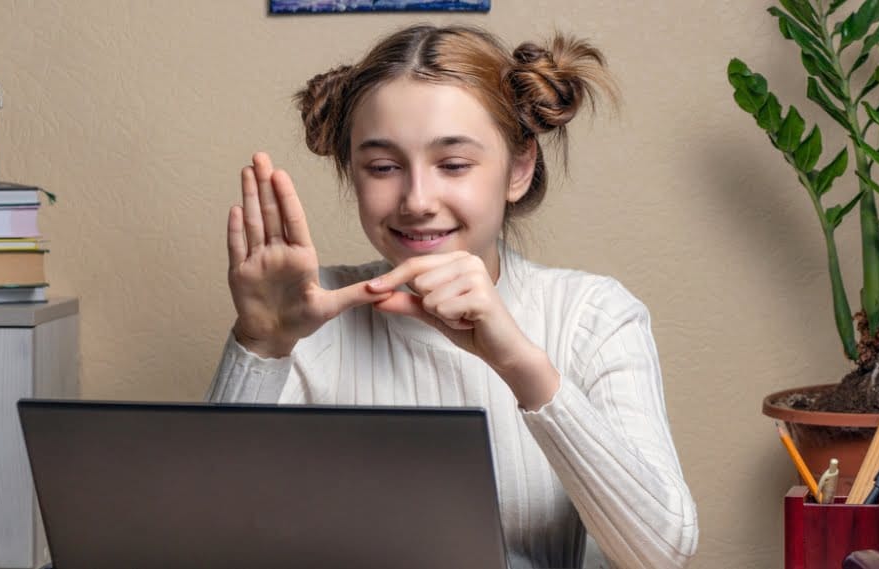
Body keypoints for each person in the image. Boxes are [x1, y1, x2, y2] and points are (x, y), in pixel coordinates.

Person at [208, 24, 698, 569]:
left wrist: (518, 362)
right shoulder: (309, 311)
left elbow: (661, 554)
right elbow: (209, 539)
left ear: (518, 168)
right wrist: (262, 345)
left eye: (454, 164)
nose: (417, 200)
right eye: (384, 167)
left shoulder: (594, 317)